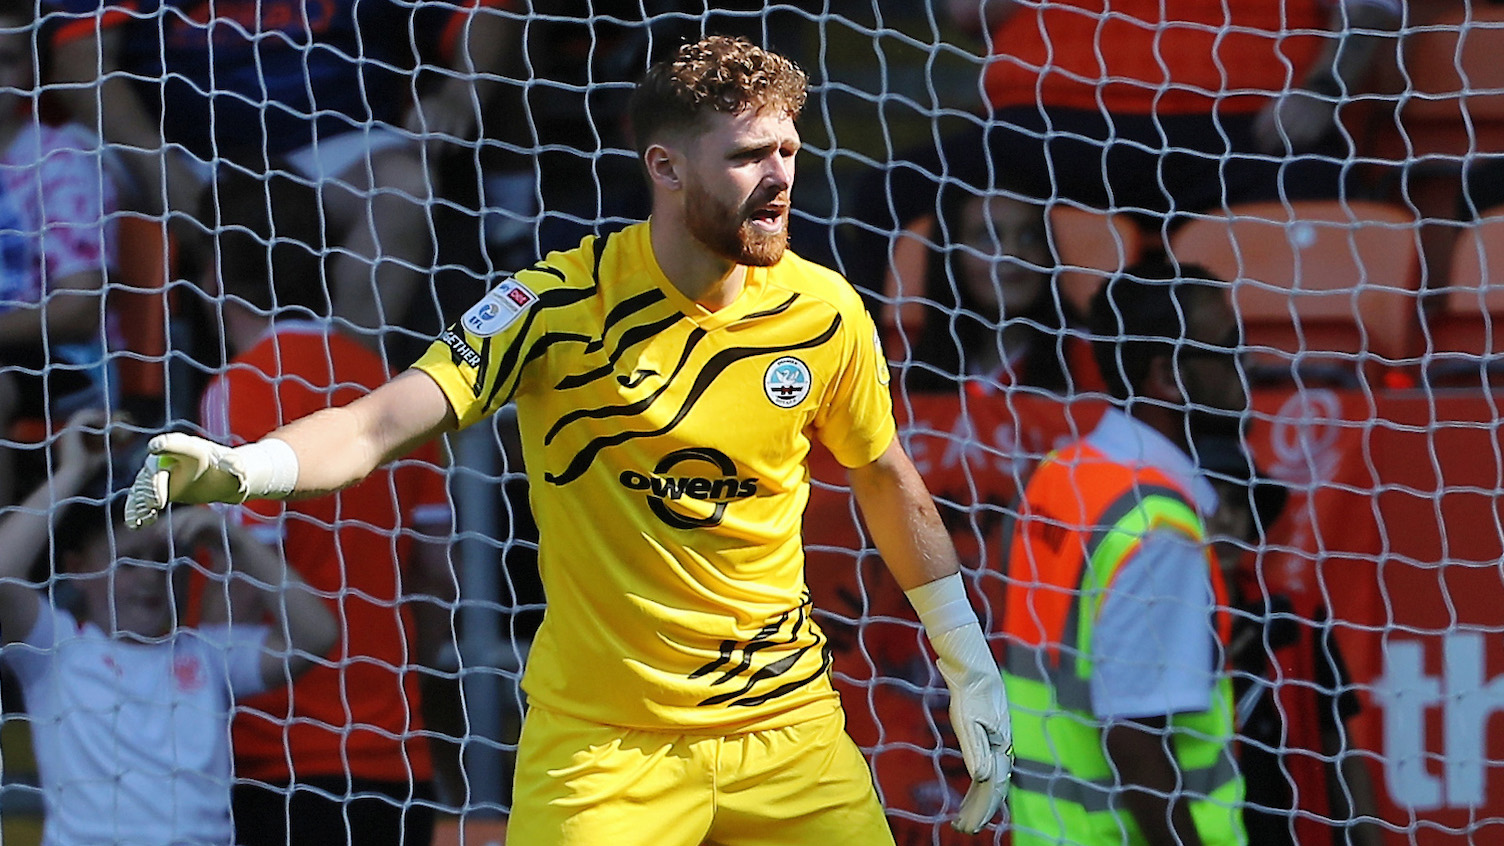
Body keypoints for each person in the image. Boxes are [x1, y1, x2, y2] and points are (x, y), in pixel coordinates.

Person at [122, 36, 1014, 845]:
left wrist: (966, 657)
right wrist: (248, 468)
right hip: (605, 752)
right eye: (747, 156)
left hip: (786, 732)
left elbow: (884, 476)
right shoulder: (551, 305)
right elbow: (377, 420)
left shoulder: (826, 310)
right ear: (664, 167)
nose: (779, 177)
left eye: (787, 150)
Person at [192, 170, 459, 845]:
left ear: (215, 271)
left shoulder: (243, 387)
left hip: (279, 750)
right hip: (397, 756)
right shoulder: (389, 389)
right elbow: (434, 575)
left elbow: (242, 569)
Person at [44, 0, 520, 358]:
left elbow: (486, 10)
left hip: (336, 140)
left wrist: (460, 94)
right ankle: (99, 381)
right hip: (176, 149)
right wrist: (159, 167)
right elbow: (79, 54)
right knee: (67, 157)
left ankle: (338, 386)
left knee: (404, 186)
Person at [841, 0, 1404, 297]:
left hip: (1244, 128)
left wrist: (1323, 89)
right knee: (890, 191)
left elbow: (1375, 11)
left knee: (1323, 182)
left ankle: (1289, 389)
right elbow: (970, 12)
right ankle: (868, 394)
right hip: (1051, 129)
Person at [0, 410, 337, 846]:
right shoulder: (57, 649)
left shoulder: (209, 655)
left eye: (164, 560)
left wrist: (233, 540)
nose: (149, 577)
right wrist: (71, 472)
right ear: (80, 571)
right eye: (130, 560)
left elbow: (316, 637)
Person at [999, 260, 1248, 846]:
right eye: (1227, 348)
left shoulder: (1061, 475)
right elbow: (1135, 743)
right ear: (1167, 376)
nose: (1247, 365)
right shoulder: (1162, 530)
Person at [1196, 434, 1384, 846]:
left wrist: (1369, 838)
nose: (1225, 519)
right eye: (1210, 503)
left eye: (1237, 503)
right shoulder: (1157, 618)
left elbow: (1339, 749)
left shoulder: (1294, 616)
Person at [0, 0, 118, 505]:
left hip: (63, 361)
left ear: (30, 70)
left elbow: (79, 309)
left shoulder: (60, 160)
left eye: (3, 61)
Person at [900, 186, 1098, 397]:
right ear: (951, 255)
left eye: (1029, 236)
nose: (1012, 253)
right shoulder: (913, 367)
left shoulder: (1091, 359)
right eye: (988, 237)